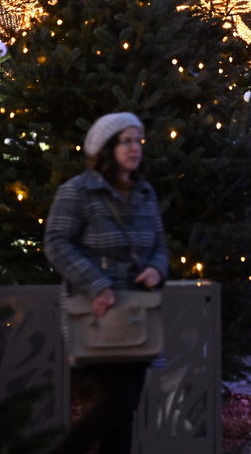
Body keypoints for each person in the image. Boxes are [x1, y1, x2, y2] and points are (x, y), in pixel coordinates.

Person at [44, 111, 168, 454]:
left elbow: (159, 245)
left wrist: (157, 270)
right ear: (105, 147)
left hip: (138, 314)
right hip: (98, 313)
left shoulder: (144, 193)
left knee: (125, 409)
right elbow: (57, 243)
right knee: (118, 401)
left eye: (137, 140)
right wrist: (97, 284)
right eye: (125, 141)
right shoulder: (78, 192)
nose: (134, 148)